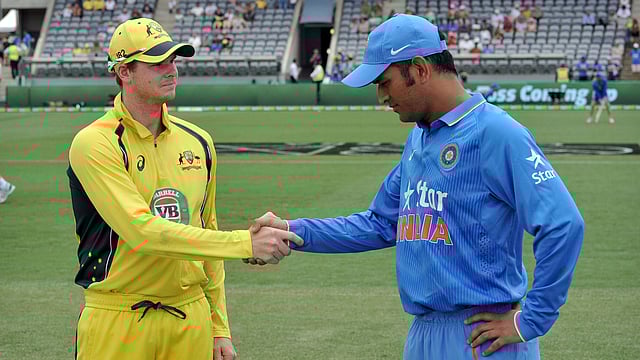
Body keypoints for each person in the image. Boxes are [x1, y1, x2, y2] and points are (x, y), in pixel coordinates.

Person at [248, 15, 584, 360]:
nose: (381, 96)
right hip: (423, 333)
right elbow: (380, 223)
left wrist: (530, 321)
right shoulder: (419, 140)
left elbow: (563, 224)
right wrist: (291, 231)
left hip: (481, 337)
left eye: (384, 81)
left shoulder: (495, 132)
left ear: (421, 69)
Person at [69, 18, 301, 360]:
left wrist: (219, 326)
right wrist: (245, 243)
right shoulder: (95, 143)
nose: (171, 69)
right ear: (124, 72)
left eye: (173, 60)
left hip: (190, 320)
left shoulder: (199, 141)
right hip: (118, 318)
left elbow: (205, 234)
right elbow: (143, 232)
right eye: (156, 62)